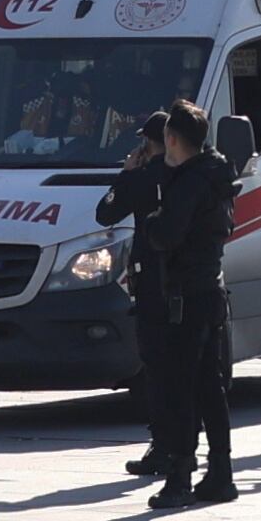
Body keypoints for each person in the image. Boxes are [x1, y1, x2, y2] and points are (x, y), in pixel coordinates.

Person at [136, 100, 239, 508]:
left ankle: (180, 475)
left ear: (173, 139)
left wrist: (152, 221)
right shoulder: (214, 172)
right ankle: (220, 471)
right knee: (208, 386)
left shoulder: (191, 181)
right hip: (208, 289)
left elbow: (167, 233)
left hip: (186, 294)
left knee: (181, 388)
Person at [99, 111, 171, 477]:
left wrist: (126, 174)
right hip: (185, 281)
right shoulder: (188, 175)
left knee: (156, 367)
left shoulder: (142, 179)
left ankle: (163, 445)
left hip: (151, 284)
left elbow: (105, 212)